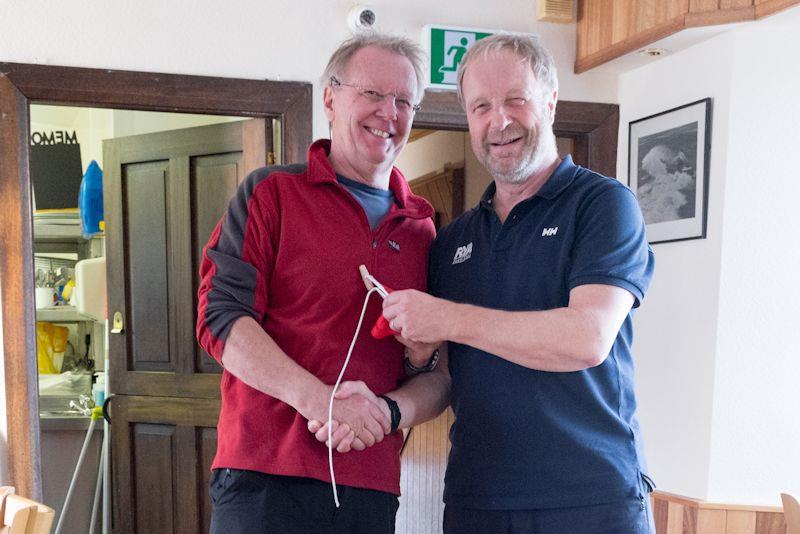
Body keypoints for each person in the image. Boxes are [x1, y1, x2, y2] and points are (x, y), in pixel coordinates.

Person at [381, 34, 657, 533]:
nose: (499, 120)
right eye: (481, 106)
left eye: (515, 99)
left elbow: (587, 339)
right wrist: (403, 382)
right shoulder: (453, 241)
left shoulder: (603, 206)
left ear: (550, 102)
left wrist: (449, 318)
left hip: (590, 499)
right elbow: (445, 377)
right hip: (477, 501)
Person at [196, 32, 449, 534]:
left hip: (368, 482)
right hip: (262, 476)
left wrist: (394, 400)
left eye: (404, 101)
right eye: (373, 93)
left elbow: (441, 376)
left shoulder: (425, 230)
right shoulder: (271, 194)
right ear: (330, 98)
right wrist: (322, 402)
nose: (389, 112)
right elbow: (220, 320)